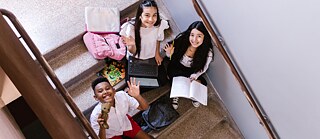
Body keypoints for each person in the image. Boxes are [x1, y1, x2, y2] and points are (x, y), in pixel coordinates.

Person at [163, 21, 214, 109]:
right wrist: (169, 53)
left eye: (199, 36)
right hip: (177, 66)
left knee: (198, 82)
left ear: (204, 37)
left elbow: (204, 67)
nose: (194, 39)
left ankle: (194, 95)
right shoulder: (183, 41)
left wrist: (195, 75)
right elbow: (172, 59)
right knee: (173, 77)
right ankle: (177, 93)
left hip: (191, 70)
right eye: (192, 35)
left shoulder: (207, 52)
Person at [120, 0, 169, 86]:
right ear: (140, 16)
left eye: (154, 15)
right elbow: (133, 52)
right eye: (147, 15)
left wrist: (157, 53)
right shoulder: (131, 28)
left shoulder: (159, 25)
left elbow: (158, 39)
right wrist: (132, 44)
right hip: (135, 57)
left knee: (162, 81)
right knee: (131, 83)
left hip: (151, 56)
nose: (151, 19)